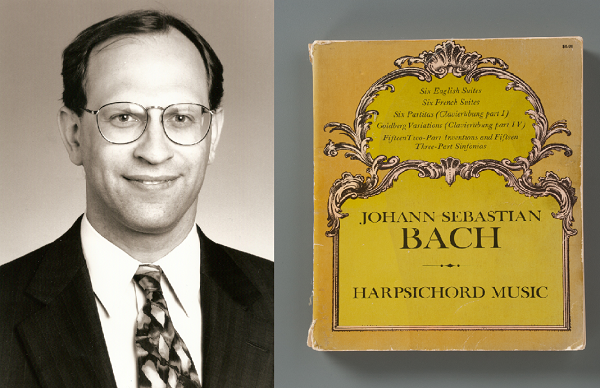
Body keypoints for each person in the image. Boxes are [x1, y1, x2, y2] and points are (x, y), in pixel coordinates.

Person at [0, 10, 273, 388]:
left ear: (213, 134)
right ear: (74, 134)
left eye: (181, 117)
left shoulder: (297, 305)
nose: (155, 151)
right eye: (124, 117)